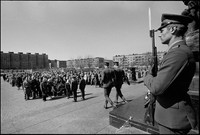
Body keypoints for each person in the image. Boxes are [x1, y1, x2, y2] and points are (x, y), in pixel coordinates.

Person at [144, 13, 197, 134]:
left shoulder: (178, 53)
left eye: (162, 30)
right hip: (168, 116)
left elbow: (157, 87)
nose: (160, 34)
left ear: (172, 29)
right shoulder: (175, 51)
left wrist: (147, 76)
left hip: (173, 120)